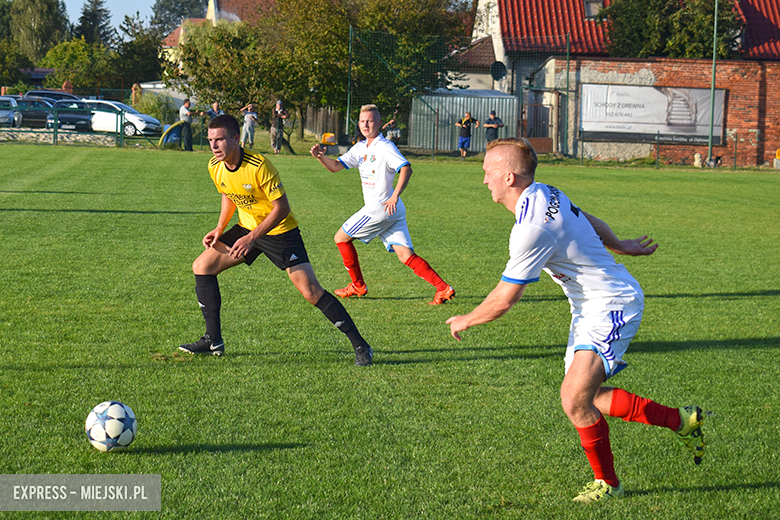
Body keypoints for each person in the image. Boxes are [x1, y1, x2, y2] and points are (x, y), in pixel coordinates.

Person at [446, 137, 706, 503]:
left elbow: (505, 299)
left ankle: (608, 484)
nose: (483, 179)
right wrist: (621, 244)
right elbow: (587, 220)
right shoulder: (545, 192)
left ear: (508, 177)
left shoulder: (531, 230)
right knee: (588, 398)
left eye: (488, 171)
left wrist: (466, 320)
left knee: (573, 400)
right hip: (588, 307)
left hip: (613, 303)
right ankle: (681, 420)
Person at [179, 114, 374, 366]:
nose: (214, 146)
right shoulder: (214, 166)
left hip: (279, 231)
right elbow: (228, 193)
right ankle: (212, 339)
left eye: (219, 140)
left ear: (236, 139)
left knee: (311, 291)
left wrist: (251, 238)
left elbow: (281, 208)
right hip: (247, 229)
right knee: (202, 267)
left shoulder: (259, 165)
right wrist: (220, 228)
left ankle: (361, 346)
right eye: (210, 140)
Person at [310, 104, 455, 305]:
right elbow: (335, 166)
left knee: (341, 238)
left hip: (381, 207)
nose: (365, 125)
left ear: (379, 123)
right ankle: (443, 288)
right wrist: (320, 157)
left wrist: (395, 194)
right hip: (392, 211)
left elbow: (406, 169)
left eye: (370, 121)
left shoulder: (385, 146)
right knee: (405, 255)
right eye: (362, 121)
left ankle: (358, 285)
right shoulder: (360, 147)